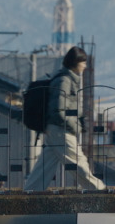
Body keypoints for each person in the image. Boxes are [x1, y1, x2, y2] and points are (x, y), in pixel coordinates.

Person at [24, 46, 106, 191]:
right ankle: (99, 190)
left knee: (46, 165)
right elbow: (59, 110)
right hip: (61, 130)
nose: (85, 66)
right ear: (76, 63)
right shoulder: (65, 81)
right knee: (78, 162)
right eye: (83, 62)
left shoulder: (66, 79)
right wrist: (75, 126)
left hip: (55, 129)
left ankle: (31, 191)